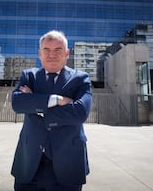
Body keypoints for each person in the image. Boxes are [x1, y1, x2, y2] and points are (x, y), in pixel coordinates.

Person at [11, 30, 92, 191]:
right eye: (46, 50)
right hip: (29, 163)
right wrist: (58, 100)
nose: (51, 55)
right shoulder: (29, 76)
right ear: (39, 54)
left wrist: (36, 104)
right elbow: (17, 103)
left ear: (67, 53)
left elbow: (80, 112)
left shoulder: (81, 79)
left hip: (68, 162)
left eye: (58, 50)